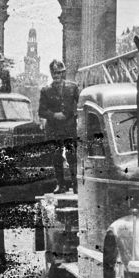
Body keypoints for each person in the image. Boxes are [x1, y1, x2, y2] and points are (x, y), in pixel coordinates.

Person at [39, 59, 80, 193]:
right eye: (53, 73)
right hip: (53, 129)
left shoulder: (73, 87)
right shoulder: (45, 90)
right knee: (56, 157)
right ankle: (60, 185)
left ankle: (76, 185)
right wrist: (55, 115)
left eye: (58, 73)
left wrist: (75, 115)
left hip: (69, 127)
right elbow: (41, 111)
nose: (56, 76)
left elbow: (80, 105)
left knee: (72, 156)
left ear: (63, 73)